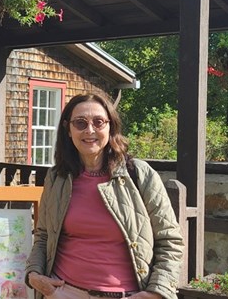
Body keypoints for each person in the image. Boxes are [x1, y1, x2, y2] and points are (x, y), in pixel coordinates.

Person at [25, 93, 183, 299]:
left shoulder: (139, 174)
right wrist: (34, 274)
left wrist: (156, 292)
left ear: (111, 127)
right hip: (63, 292)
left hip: (126, 294)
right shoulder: (58, 177)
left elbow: (169, 240)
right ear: (68, 130)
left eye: (98, 122)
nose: (90, 130)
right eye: (80, 123)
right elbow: (44, 234)